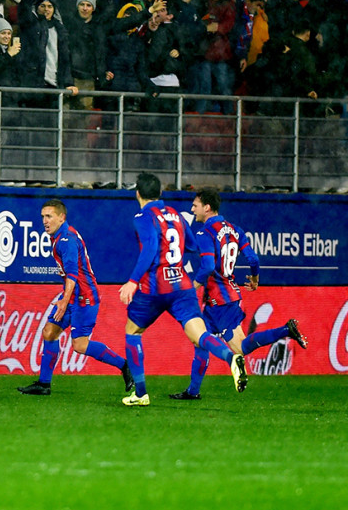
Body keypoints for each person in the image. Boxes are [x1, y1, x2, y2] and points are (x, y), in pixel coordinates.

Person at [117, 172, 248, 406]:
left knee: (132, 332)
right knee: (200, 336)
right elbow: (191, 246)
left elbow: (149, 248)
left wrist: (133, 281)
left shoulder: (143, 216)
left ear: (138, 193)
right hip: (183, 285)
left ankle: (141, 393)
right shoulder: (176, 215)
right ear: (160, 193)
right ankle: (230, 357)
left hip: (155, 286)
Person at [170, 188, 308, 399]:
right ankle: (193, 391)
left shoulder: (205, 233)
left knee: (223, 345)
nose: (192, 209)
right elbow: (253, 259)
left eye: (195, 205)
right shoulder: (235, 230)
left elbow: (207, 266)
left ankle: (284, 331)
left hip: (218, 300)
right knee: (206, 342)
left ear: (207, 208)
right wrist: (255, 278)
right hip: (231, 295)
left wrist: (192, 287)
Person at [18, 200, 135, 395]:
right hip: (73, 296)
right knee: (49, 332)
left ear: (61, 217)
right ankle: (44, 384)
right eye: (43, 217)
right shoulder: (60, 235)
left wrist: (64, 301)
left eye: (49, 216)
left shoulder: (66, 240)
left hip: (84, 298)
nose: (45, 221)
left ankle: (124, 365)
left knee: (79, 345)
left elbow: (72, 274)